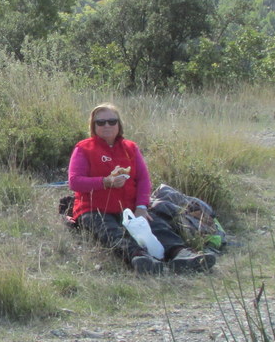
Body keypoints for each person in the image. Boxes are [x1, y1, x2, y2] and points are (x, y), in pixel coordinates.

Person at [67, 103, 216, 274]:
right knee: (111, 232)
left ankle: (182, 254)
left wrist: (141, 207)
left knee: (157, 224)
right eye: (100, 123)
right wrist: (105, 181)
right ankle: (141, 259)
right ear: (93, 126)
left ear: (119, 124)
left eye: (111, 121)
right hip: (93, 209)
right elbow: (75, 182)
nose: (107, 126)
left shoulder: (130, 148)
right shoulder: (84, 148)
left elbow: (144, 180)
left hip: (129, 207)